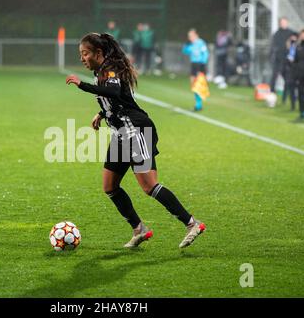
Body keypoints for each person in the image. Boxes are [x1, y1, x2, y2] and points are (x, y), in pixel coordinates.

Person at [66, 33, 206, 249]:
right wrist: (102, 114)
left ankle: (191, 223)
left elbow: (113, 91)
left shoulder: (110, 68)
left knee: (149, 186)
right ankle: (139, 229)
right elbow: (119, 98)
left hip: (135, 130)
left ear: (98, 53)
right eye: (81, 54)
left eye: (85, 53)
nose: (82, 58)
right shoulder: (101, 71)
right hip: (121, 133)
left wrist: (81, 85)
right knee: (109, 186)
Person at [182, 29, 209, 111]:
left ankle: (198, 105)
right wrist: (186, 45)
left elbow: (205, 53)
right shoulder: (191, 44)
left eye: (191, 36)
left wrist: (203, 63)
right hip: (194, 65)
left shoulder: (201, 43)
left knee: (198, 84)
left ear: (196, 35)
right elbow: (185, 51)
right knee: (193, 84)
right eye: (189, 36)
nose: (190, 38)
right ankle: (198, 103)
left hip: (200, 65)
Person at [269, 18, 296, 93]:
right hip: (278, 59)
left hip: (288, 60)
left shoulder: (291, 33)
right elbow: (273, 46)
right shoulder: (277, 34)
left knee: (288, 78)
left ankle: (290, 93)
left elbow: (297, 40)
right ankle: (272, 92)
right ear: (280, 23)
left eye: (285, 22)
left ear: (287, 23)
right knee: (274, 76)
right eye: (282, 22)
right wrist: (271, 57)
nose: (283, 24)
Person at [282, 34, 298, 111]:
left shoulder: (298, 47)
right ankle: (289, 103)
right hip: (289, 69)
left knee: (295, 87)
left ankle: (294, 103)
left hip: (297, 69)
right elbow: (285, 57)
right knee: (288, 85)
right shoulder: (288, 47)